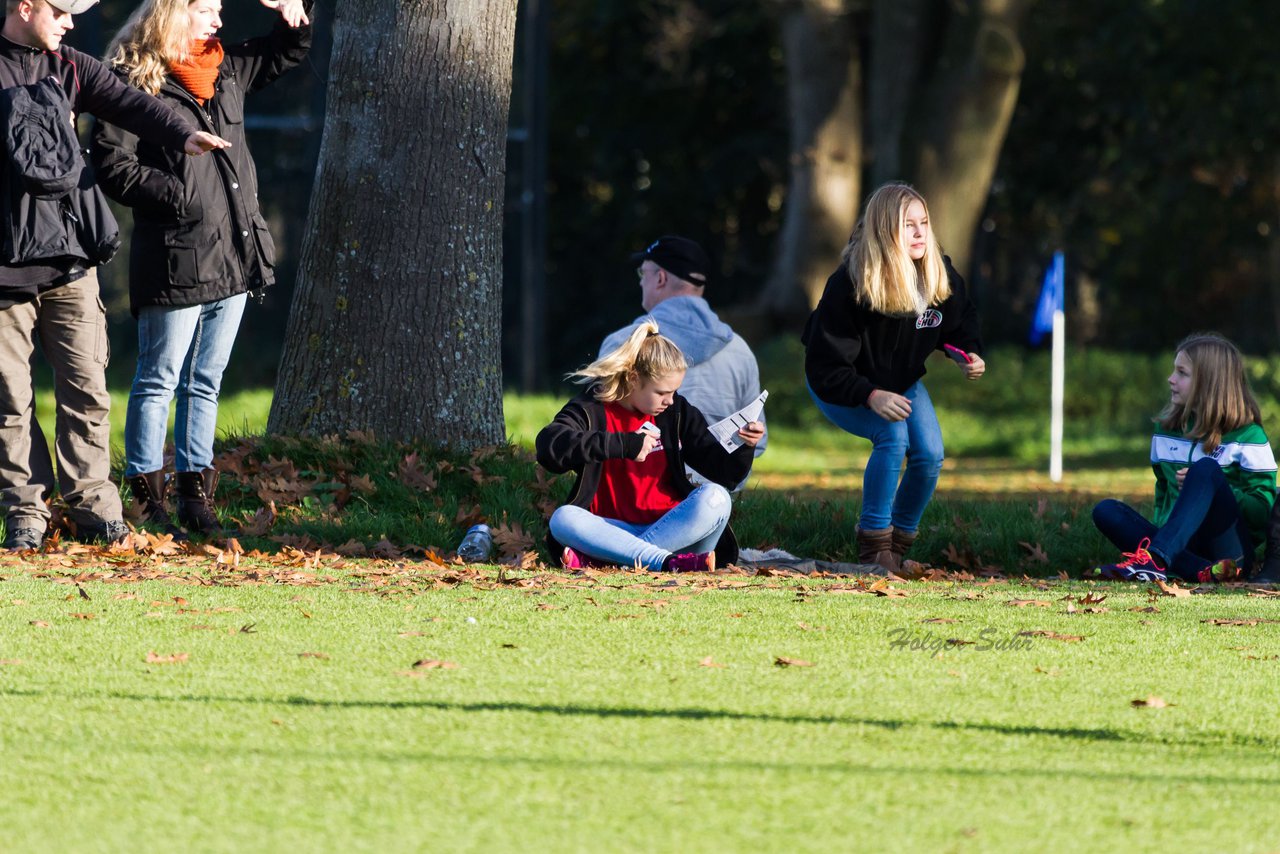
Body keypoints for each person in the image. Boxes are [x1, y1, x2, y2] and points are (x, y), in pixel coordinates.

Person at [0, 0, 230, 552]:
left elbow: (129, 103)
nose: (70, 22)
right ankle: (25, 516)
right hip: (5, 272)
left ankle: (95, 511)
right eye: (61, 10)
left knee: (88, 391)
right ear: (25, 6)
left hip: (72, 261)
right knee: (9, 402)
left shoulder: (71, 65)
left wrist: (182, 136)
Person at [91, 0, 312, 537]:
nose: (218, 20)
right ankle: (147, 500)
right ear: (170, 13)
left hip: (235, 259)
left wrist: (291, 13)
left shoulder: (226, 66)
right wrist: (180, 197)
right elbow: (112, 163)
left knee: (205, 382)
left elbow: (286, 53)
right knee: (158, 380)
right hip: (175, 260)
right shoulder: (132, 80)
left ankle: (195, 498)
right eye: (205, 10)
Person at [801, 182, 985, 572]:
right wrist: (869, 395)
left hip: (900, 383)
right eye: (908, 225)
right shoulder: (851, 283)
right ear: (885, 230)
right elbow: (825, 365)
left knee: (931, 455)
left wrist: (967, 352)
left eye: (924, 223)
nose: (920, 233)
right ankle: (873, 548)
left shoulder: (938, 271)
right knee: (893, 437)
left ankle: (897, 549)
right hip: (842, 384)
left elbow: (959, 321)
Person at [536, 320, 764, 572]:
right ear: (634, 379)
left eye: (674, 391)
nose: (670, 400)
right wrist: (624, 444)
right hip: (609, 532)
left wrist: (745, 446)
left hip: (676, 531)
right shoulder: (592, 408)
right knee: (563, 519)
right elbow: (549, 446)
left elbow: (726, 476)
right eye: (661, 392)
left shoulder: (676, 411)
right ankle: (661, 562)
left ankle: (616, 564)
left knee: (718, 499)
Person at [1090, 333, 1277, 583]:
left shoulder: (1250, 436)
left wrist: (1213, 487)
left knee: (1206, 469)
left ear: (1209, 382)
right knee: (1106, 511)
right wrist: (1164, 533)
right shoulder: (1165, 432)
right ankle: (1196, 570)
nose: (1171, 379)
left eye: (1182, 373)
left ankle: (1157, 561)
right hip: (1181, 547)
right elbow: (1163, 496)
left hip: (1230, 552)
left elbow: (1262, 512)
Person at [600, 236, 767, 467]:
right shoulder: (740, 348)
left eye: (642, 274)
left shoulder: (624, 343)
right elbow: (757, 441)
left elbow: (600, 426)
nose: (640, 283)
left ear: (660, 278)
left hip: (641, 481)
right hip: (719, 484)